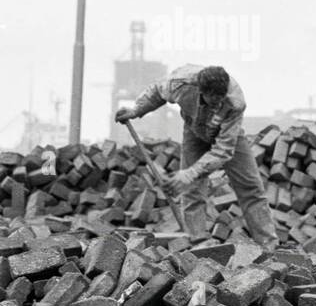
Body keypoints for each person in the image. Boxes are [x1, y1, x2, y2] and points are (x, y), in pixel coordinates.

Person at [115, 64, 277, 248]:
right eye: (212, 98)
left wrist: (189, 173)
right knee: (192, 190)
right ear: (201, 90)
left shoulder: (235, 102)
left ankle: (268, 244)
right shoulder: (179, 84)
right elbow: (157, 92)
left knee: (251, 187)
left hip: (228, 135)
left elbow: (223, 150)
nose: (217, 103)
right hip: (194, 130)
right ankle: (199, 241)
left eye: (220, 98)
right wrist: (137, 110)